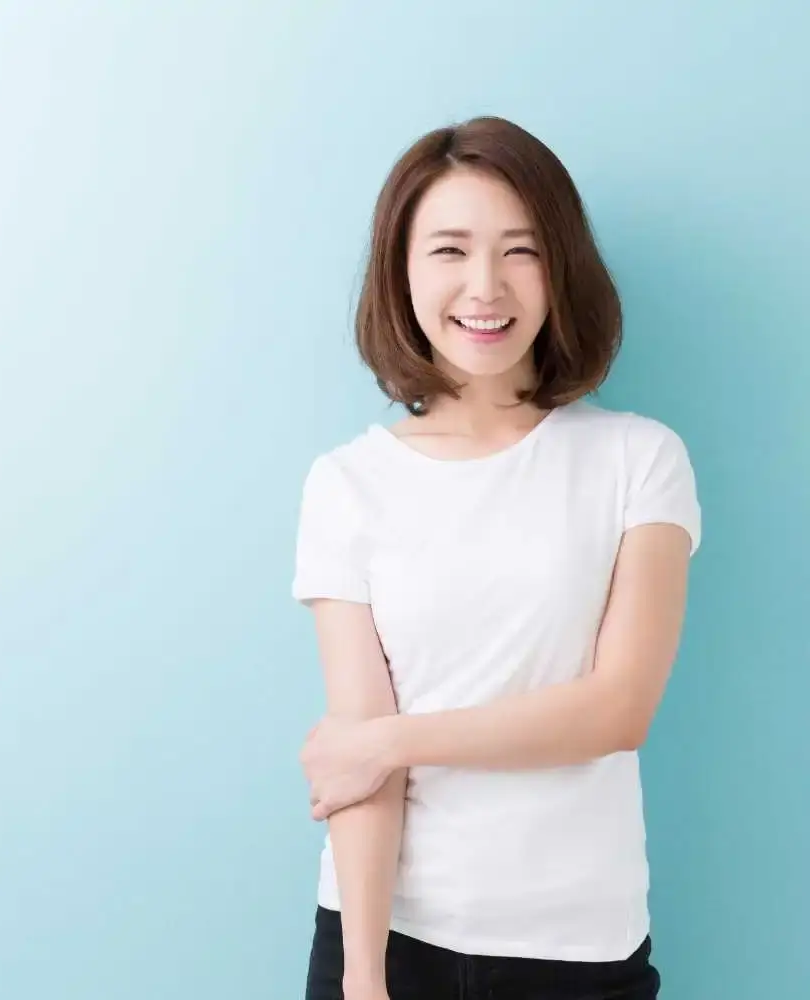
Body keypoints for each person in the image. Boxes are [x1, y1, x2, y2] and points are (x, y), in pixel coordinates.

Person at [290, 116, 701, 1000]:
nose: (486, 286)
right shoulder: (347, 483)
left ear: (561, 271)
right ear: (403, 270)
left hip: (580, 952)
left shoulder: (638, 460)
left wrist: (394, 742)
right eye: (450, 249)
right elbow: (362, 760)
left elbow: (617, 710)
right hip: (389, 939)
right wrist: (363, 977)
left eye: (521, 251)